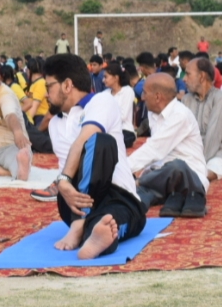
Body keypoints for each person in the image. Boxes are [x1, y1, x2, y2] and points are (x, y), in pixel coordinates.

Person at [43, 54, 146, 260]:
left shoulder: (101, 100)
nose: (46, 94)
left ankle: (88, 229)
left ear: (67, 85)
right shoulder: (55, 124)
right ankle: (85, 225)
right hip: (74, 201)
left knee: (100, 141)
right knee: (99, 221)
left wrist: (62, 181)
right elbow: (69, 168)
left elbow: (84, 138)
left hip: (117, 196)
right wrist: (66, 186)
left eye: (48, 87)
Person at [129, 74, 208, 218]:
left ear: (158, 97)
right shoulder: (153, 114)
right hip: (160, 176)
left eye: (145, 93)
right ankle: (143, 188)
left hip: (187, 176)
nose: (142, 98)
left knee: (177, 166)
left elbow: (155, 149)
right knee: (133, 200)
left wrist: (123, 169)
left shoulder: (180, 114)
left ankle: (141, 182)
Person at [183, 57, 222, 179]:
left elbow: (213, 136)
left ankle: (193, 177)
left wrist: (198, 162)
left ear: (202, 76)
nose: (184, 79)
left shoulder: (220, 98)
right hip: (191, 151)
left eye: (188, 74)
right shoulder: (186, 99)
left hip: (219, 151)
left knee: (213, 168)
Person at [102, 62, 136, 149]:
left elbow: (123, 116)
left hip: (125, 130)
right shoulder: (105, 93)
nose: (103, 80)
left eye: (106, 77)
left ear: (116, 78)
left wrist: (105, 120)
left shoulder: (127, 91)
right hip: (108, 131)